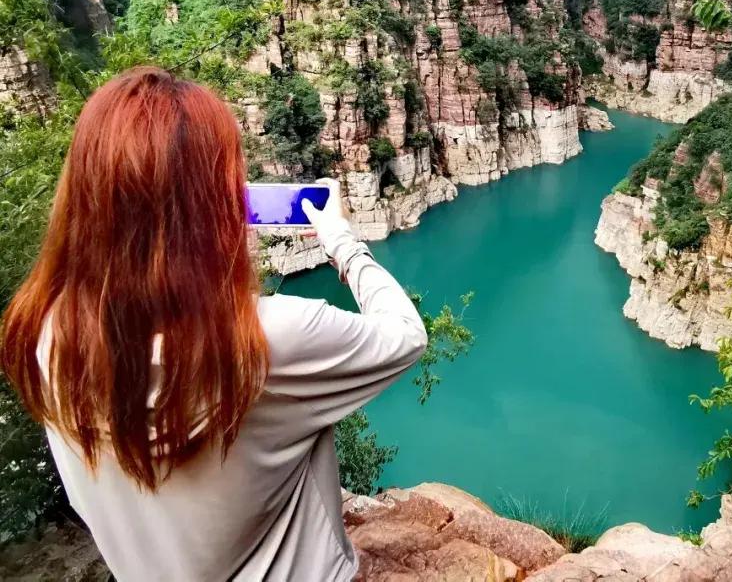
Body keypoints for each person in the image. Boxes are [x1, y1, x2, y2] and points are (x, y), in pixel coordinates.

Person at [1, 67, 427, 581]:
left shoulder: (44, 333)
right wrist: (341, 241)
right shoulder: (266, 339)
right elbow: (406, 335)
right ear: (212, 203)